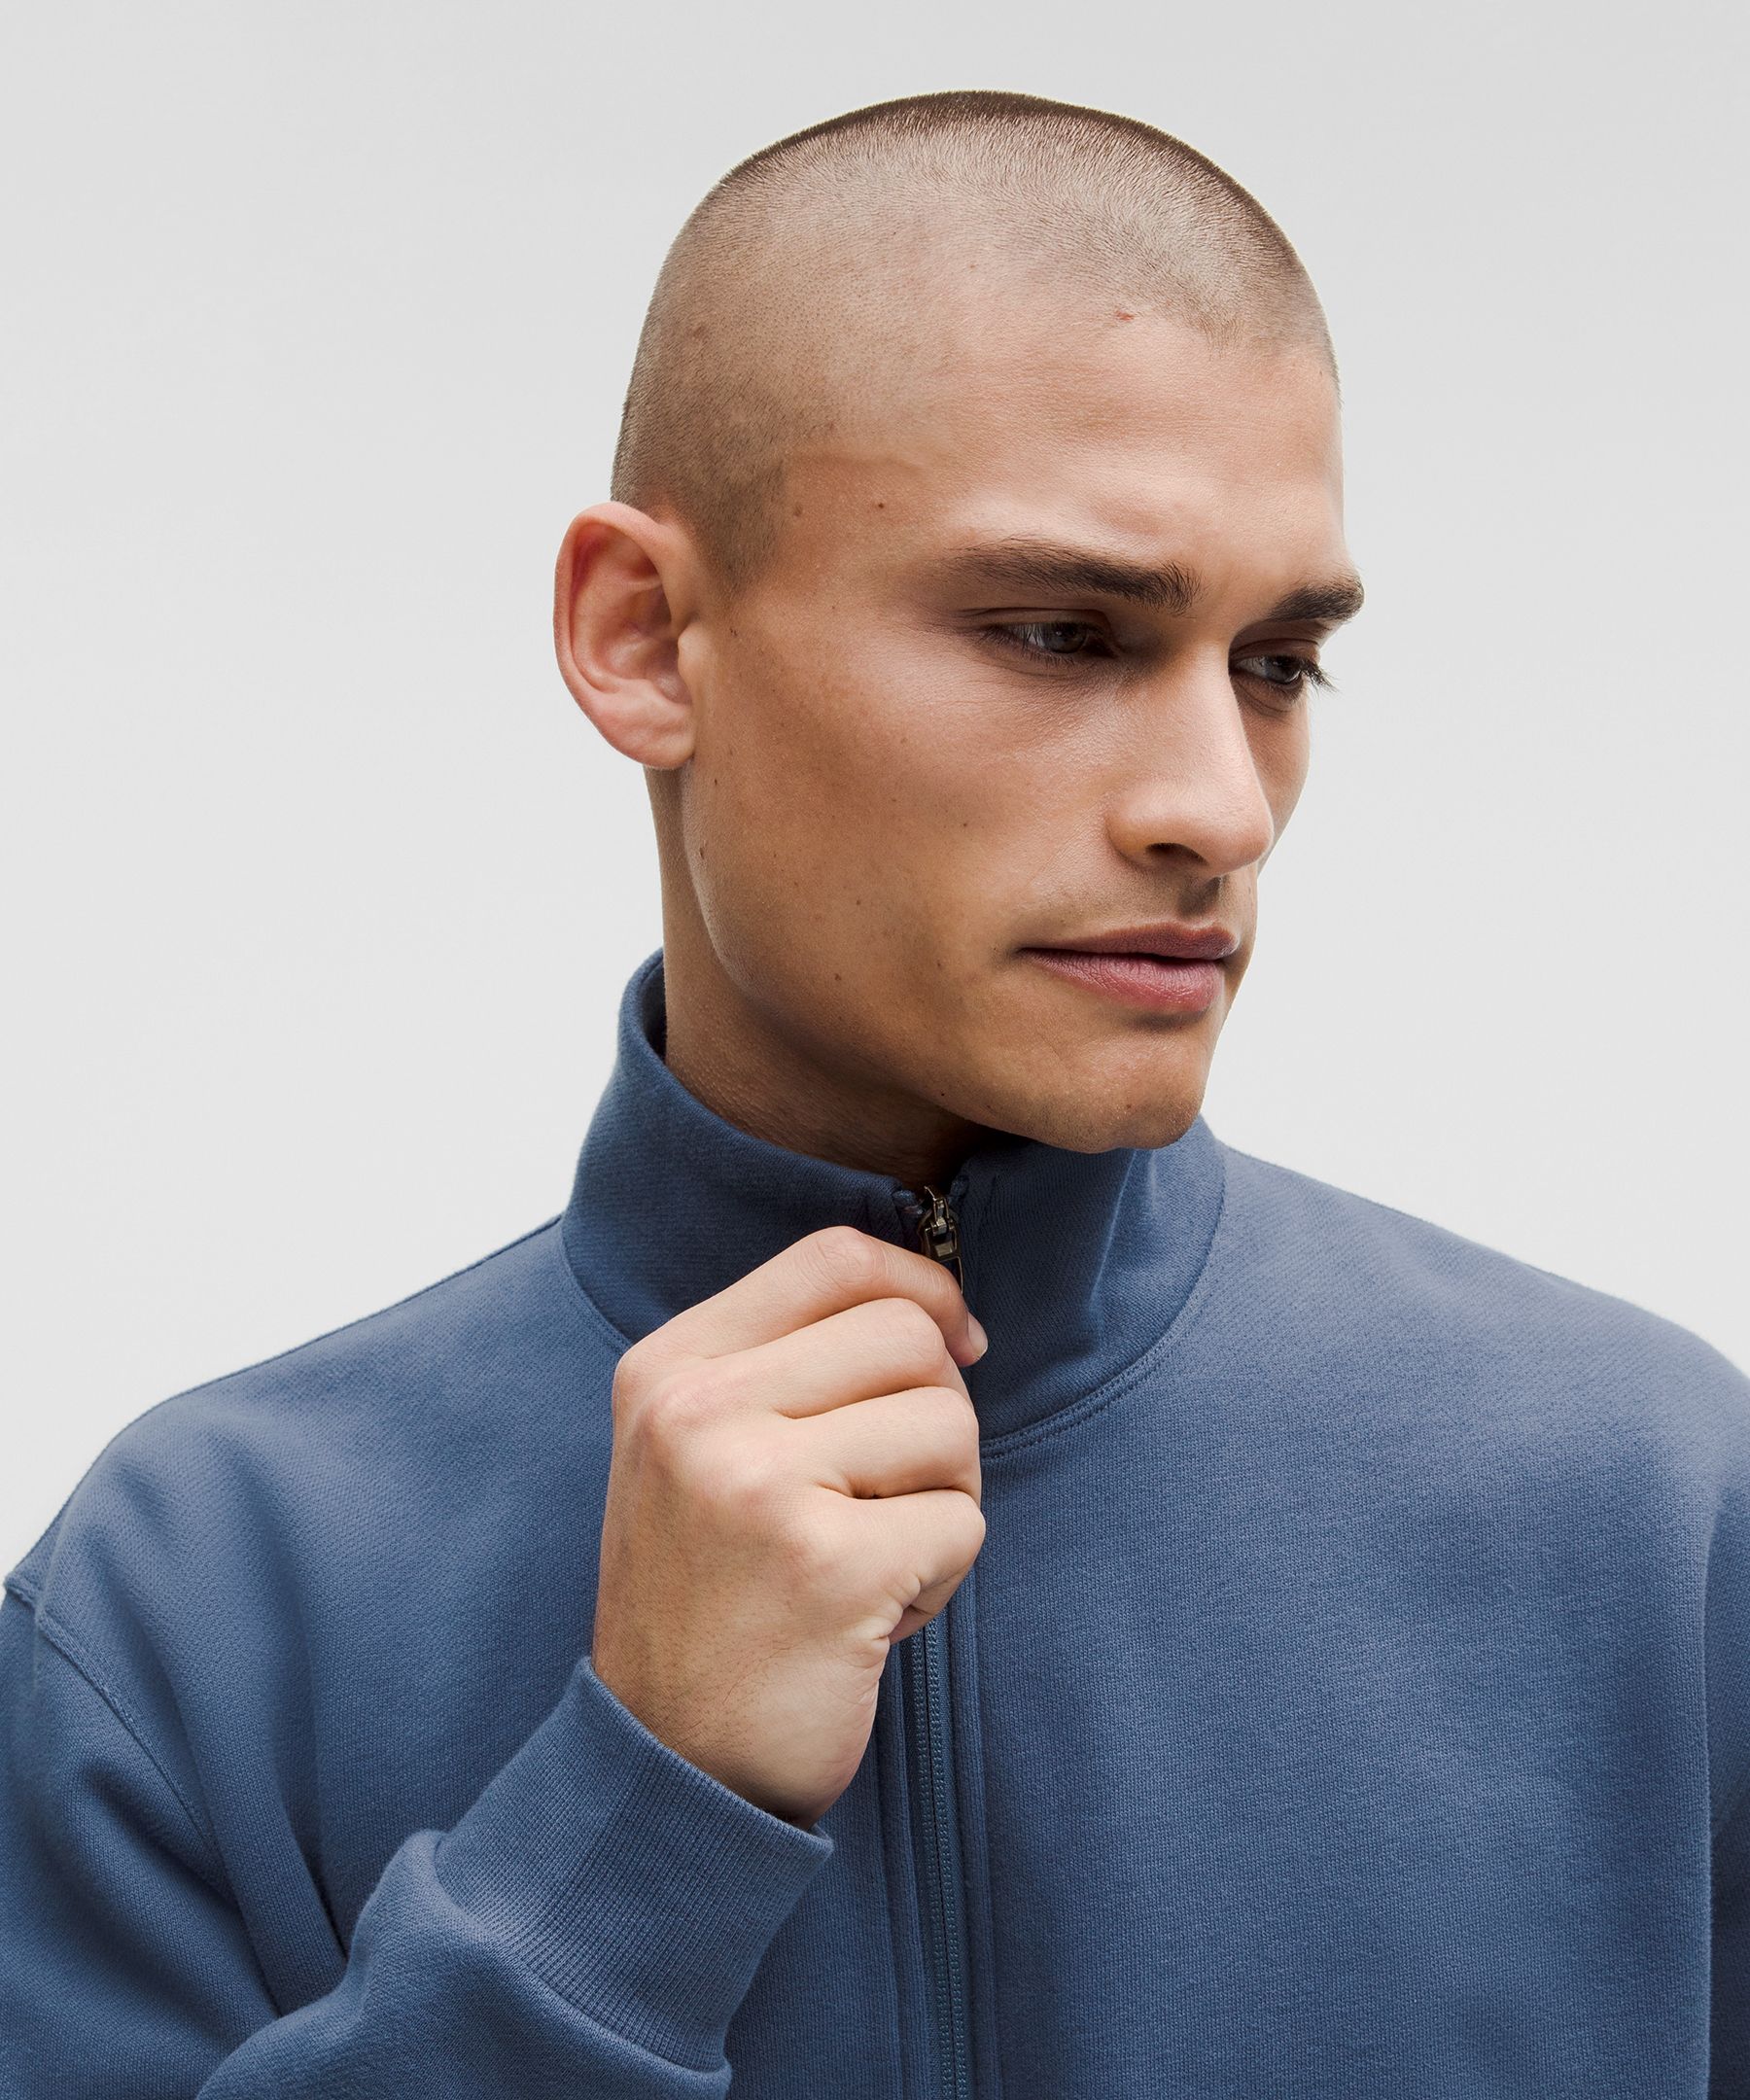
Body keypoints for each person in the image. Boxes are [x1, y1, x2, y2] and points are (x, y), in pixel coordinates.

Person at [2, 85, 1745, 2098]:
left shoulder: (1657, 1517)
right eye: (1062, 633)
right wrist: (635, 1828)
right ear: (645, 637)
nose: (1219, 806)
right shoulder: (190, 1603)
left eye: (1277, 663)